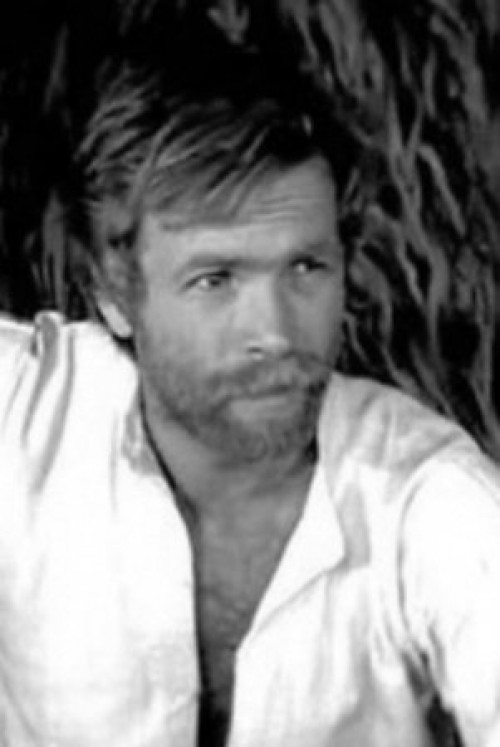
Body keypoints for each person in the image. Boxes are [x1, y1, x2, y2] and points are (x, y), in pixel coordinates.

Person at [1, 50, 500, 747]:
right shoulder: (26, 409)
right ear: (114, 294)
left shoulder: (428, 496)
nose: (274, 333)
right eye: (216, 279)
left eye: (306, 267)